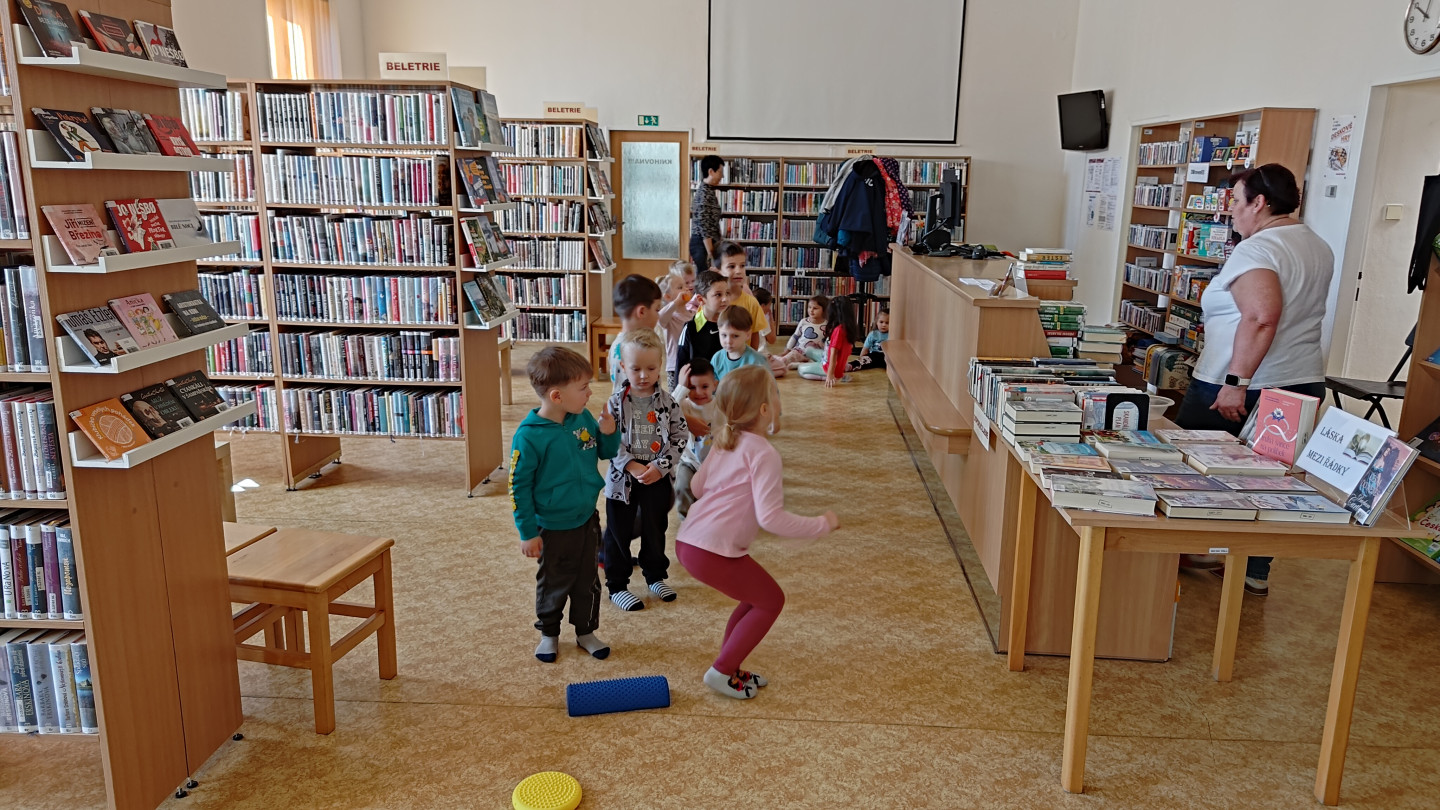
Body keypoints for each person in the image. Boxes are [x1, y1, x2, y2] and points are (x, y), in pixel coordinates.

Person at [1174, 163, 1335, 597]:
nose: (1230, 212)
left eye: (1235, 202)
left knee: (1187, 469)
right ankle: (1253, 569)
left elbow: (1262, 316)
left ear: (1259, 203)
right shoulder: (1315, 245)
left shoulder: (1258, 248)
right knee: (1270, 480)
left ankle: (1181, 552)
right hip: (1300, 380)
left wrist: (1236, 381)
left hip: (1239, 384)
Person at [676, 365, 839, 699]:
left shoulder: (725, 440)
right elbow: (771, 518)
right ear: (765, 410)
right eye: (775, 396)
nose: (779, 402)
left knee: (756, 598)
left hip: (690, 541)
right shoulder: (764, 453)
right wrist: (820, 525)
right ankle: (722, 670)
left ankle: (730, 665)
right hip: (712, 549)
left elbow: (696, 487)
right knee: (771, 601)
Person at [508, 347, 619, 662]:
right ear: (557, 396)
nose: (590, 393)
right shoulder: (528, 437)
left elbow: (603, 451)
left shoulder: (582, 418)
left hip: (586, 520)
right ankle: (549, 634)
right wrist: (527, 532)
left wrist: (609, 433)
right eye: (583, 387)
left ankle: (586, 632)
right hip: (552, 528)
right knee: (553, 584)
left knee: (588, 582)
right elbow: (518, 487)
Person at [602, 329, 688, 611]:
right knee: (618, 532)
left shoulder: (669, 402)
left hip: (656, 478)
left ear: (660, 365)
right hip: (622, 482)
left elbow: (680, 437)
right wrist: (631, 464)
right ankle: (617, 586)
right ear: (623, 366)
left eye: (651, 368)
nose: (643, 375)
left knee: (655, 528)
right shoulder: (614, 404)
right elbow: (608, 441)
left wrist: (660, 467)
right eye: (636, 368)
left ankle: (655, 576)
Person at [673, 356, 718, 519]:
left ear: (715, 385)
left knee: (715, 493)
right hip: (688, 461)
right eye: (692, 387)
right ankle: (686, 520)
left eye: (704, 386)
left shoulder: (721, 405)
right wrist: (680, 387)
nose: (698, 393)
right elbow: (666, 410)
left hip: (716, 463)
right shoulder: (683, 405)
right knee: (682, 487)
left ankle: (711, 519)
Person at [608, 274, 664, 390]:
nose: (658, 316)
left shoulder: (619, 344)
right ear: (642, 312)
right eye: (657, 309)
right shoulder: (631, 348)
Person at [675, 270, 731, 375]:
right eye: (718, 295)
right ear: (701, 299)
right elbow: (681, 365)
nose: (725, 299)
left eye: (727, 293)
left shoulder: (731, 324)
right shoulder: (691, 328)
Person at [798, 294, 861, 388]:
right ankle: (821, 368)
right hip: (829, 360)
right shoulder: (847, 327)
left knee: (801, 369)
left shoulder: (839, 330)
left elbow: (834, 354)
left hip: (830, 367)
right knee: (808, 350)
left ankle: (831, 377)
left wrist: (830, 374)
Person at [715, 241, 768, 350]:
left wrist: (752, 358)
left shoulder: (751, 303)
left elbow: (754, 335)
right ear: (718, 271)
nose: (739, 271)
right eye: (731, 266)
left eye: (742, 265)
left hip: (743, 358)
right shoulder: (713, 301)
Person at [658, 261, 698, 389]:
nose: (687, 289)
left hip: (693, 362)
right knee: (676, 397)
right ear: (668, 296)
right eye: (680, 287)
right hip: (675, 365)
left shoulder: (693, 311)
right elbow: (660, 318)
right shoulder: (671, 316)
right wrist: (676, 302)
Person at [711, 306, 768, 380]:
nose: (728, 341)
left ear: (748, 335)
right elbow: (712, 384)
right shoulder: (717, 359)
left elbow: (768, 386)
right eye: (724, 335)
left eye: (735, 336)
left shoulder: (757, 361)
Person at [690, 155, 725, 269]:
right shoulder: (704, 194)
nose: (722, 176)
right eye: (720, 172)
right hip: (703, 245)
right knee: (706, 277)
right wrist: (711, 253)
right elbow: (704, 227)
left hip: (705, 244)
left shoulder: (708, 191)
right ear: (711, 172)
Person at [779, 295, 828, 369]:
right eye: (809, 307)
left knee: (822, 362)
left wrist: (823, 345)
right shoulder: (804, 321)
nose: (811, 310)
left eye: (815, 308)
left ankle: (800, 364)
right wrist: (787, 350)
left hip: (815, 354)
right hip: (800, 351)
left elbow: (828, 342)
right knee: (785, 360)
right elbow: (795, 336)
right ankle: (799, 363)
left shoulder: (827, 325)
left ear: (824, 310)